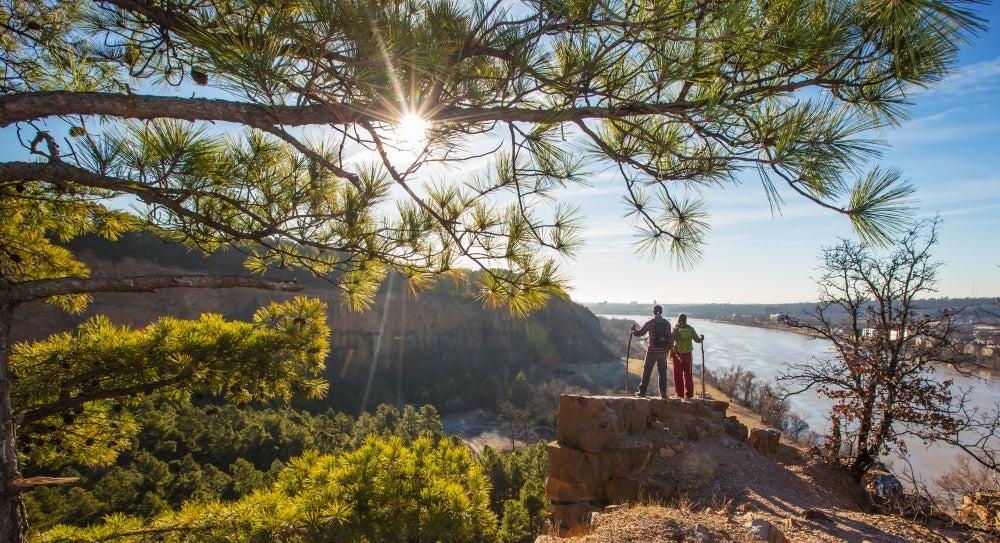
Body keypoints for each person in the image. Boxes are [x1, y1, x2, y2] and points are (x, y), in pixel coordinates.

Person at [630, 305, 673, 398]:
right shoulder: (667, 323)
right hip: (662, 352)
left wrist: (633, 330)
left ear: (654, 312)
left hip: (651, 352)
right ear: (661, 312)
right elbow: (670, 339)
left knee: (647, 371)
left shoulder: (650, 323)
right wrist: (667, 350)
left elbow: (640, 333)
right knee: (662, 372)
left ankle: (642, 392)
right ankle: (663, 393)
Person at [670, 313, 704, 399]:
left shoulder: (675, 329)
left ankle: (679, 394)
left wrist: (670, 353)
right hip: (687, 354)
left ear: (678, 320)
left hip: (677, 355)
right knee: (688, 374)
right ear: (686, 320)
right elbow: (698, 340)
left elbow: (671, 342)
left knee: (678, 375)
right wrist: (702, 338)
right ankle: (689, 394)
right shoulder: (690, 329)